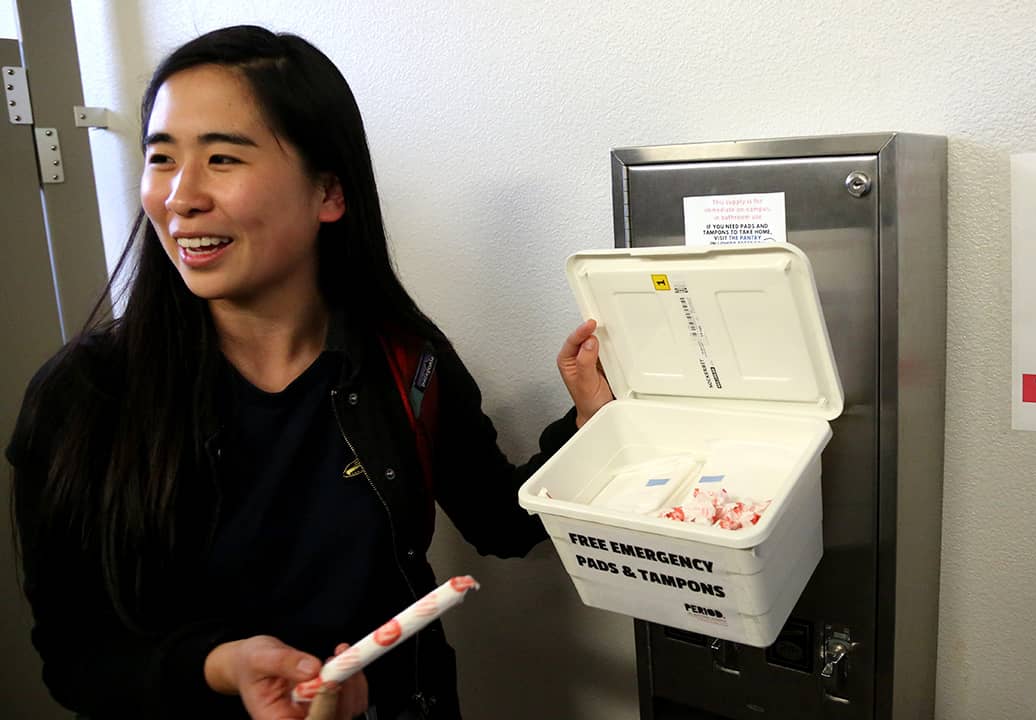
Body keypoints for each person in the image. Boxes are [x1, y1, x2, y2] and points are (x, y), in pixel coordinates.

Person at [6, 25, 612, 720]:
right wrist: (218, 667)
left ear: (329, 192)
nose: (180, 196)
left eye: (222, 158)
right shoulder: (85, 395)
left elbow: (501, 523)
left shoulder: (404, 359)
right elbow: (75, 659)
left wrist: (589, 425)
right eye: (162, 158)